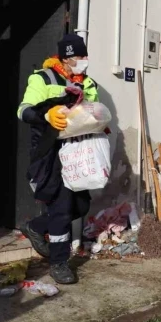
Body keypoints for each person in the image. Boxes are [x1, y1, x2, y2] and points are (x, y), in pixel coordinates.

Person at [17, 34, 99, 284]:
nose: (84, 61)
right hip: (50, 152)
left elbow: (93, 111)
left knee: (81, 206)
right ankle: (59, 262)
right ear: (65, 58)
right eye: (79, 57)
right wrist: (47, 114)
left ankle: (36, 227)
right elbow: (24, 110)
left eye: (85, 56)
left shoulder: (88, 83)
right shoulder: (42, 77)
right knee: (62, 209)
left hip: (78, 152)